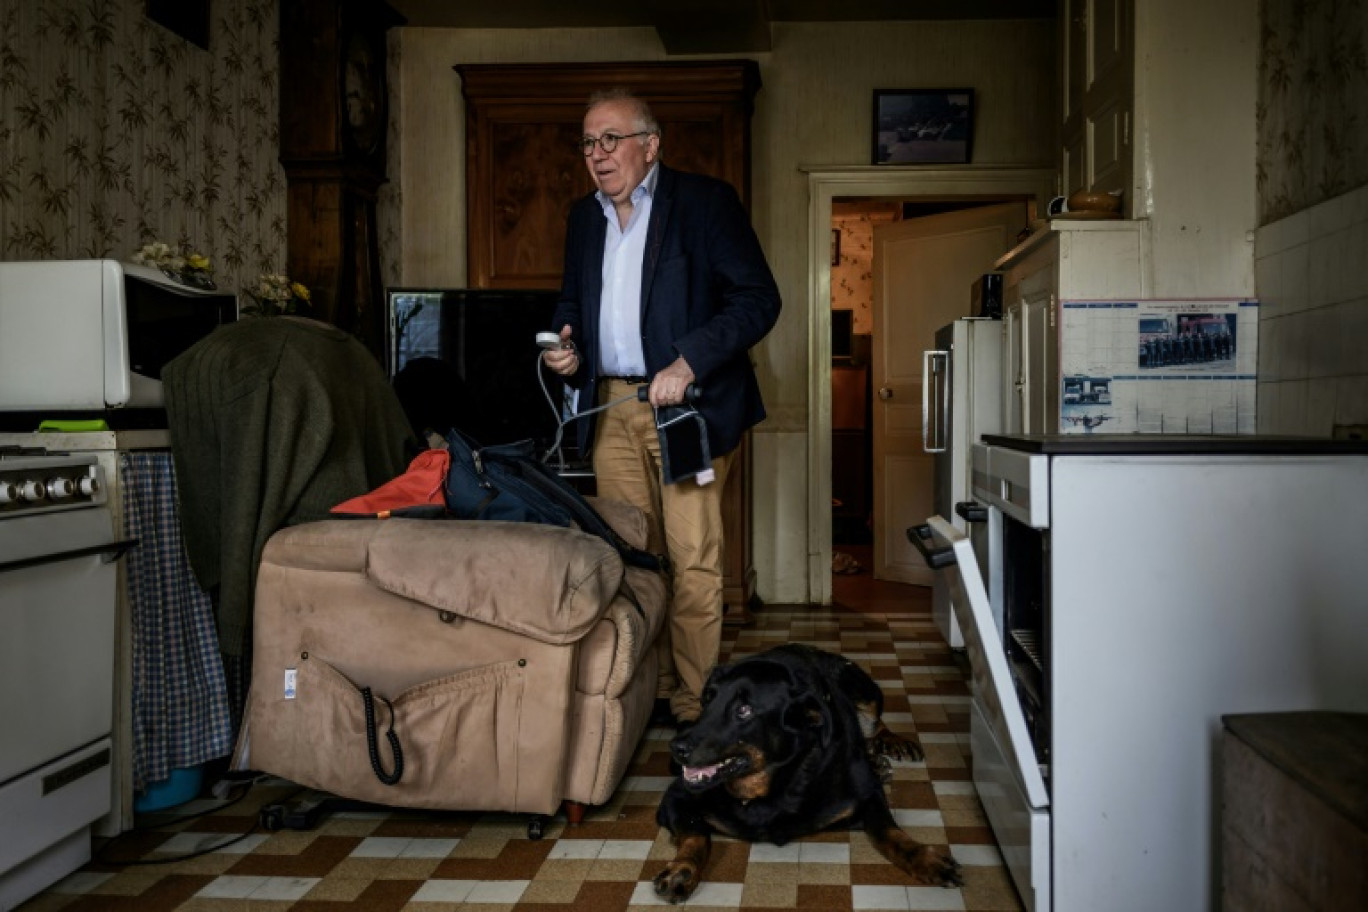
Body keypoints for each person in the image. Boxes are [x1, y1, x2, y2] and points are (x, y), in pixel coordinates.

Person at [543, 87, 781, 728]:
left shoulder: (704, 205)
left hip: (688, 414)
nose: (598, 154)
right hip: (613, 410)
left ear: (651, 145)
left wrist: (689, 360)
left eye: (611, 138)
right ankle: (651, 687)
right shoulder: (582, 218)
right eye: (589, 141)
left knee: (694, 557)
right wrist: (566, 348)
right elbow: (572, 303)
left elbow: (759, 299)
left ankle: (696, 702)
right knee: (632, 557)